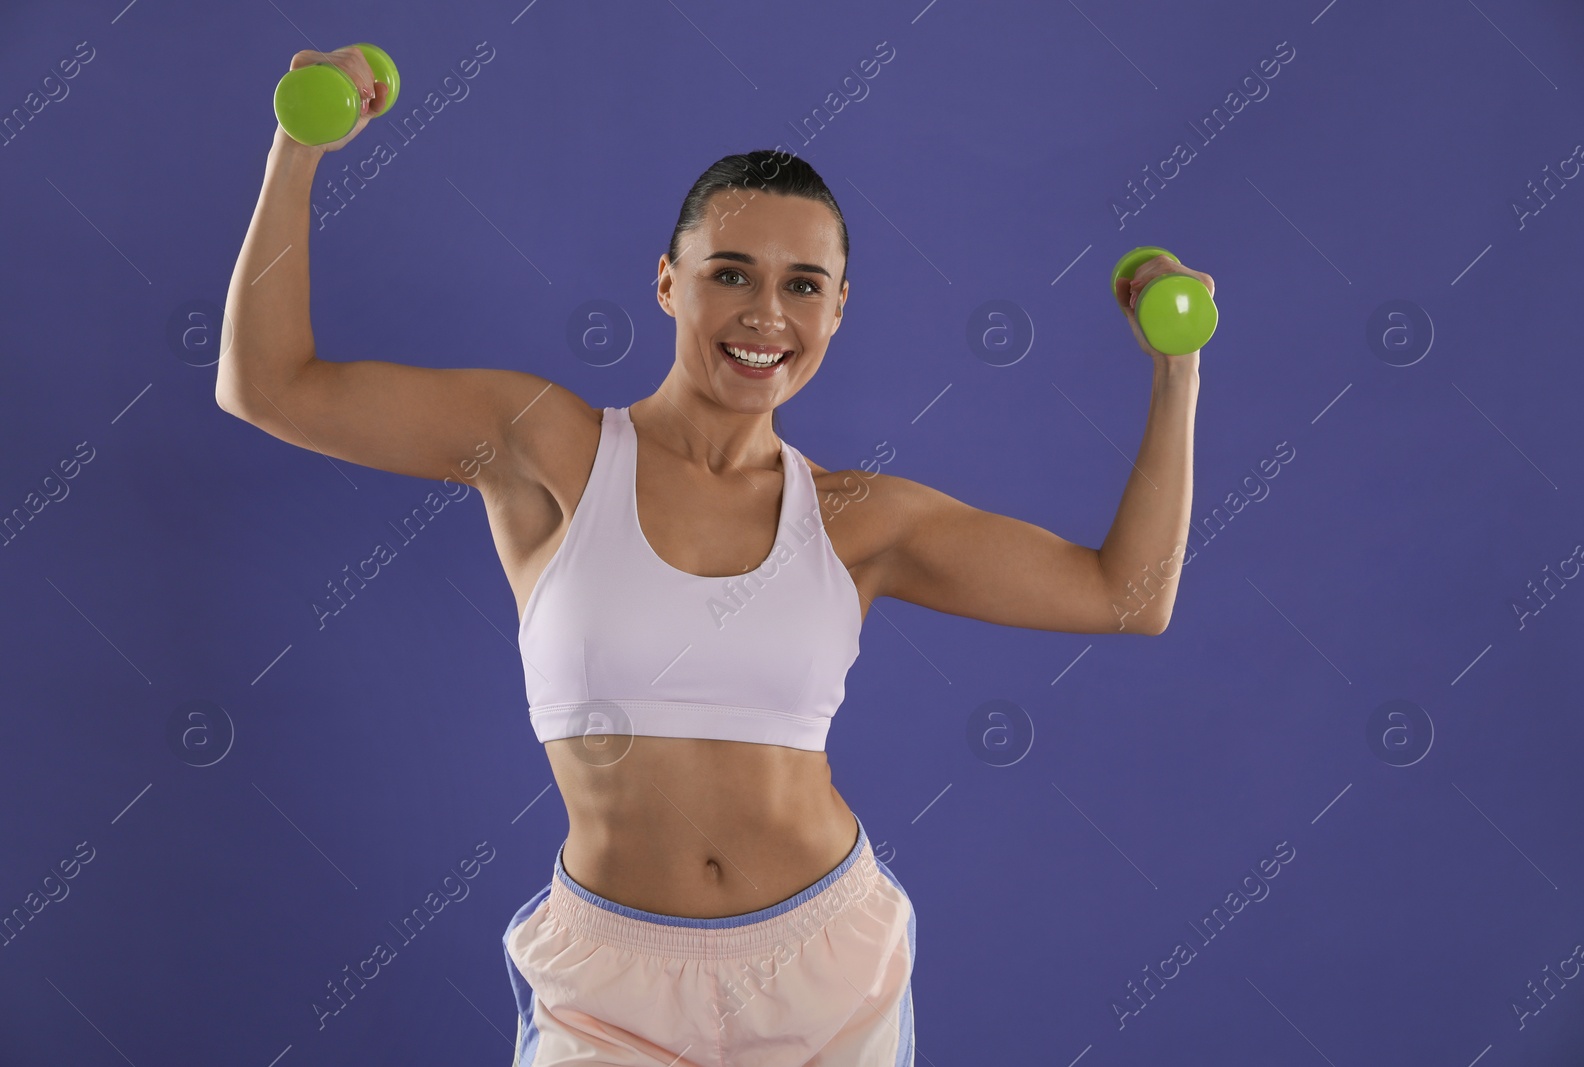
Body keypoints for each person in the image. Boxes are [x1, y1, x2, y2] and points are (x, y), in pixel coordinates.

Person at [220, 46, 1209, 1067]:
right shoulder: (542, 444)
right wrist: (300, 147)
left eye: (803, 285)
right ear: (666, 282)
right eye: (729, 273)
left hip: (826, 967)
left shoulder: (857, 519)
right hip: (612, 983)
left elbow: (1127, 594)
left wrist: (1174, 371)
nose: (764, 315)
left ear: (838, 308)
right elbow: (270, 386)